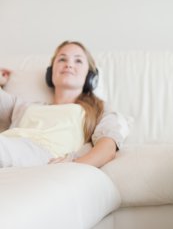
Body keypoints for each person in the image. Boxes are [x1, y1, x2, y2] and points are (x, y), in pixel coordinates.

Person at [0, 41, 128, 168]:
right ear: (50, 73)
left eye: (78, 61)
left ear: (90, 76)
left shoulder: (97, 110)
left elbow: (107, 148)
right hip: (8, 145)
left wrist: (72, 165)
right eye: (62, 59)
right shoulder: (24, 106)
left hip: (43, 155)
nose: (69, 65)